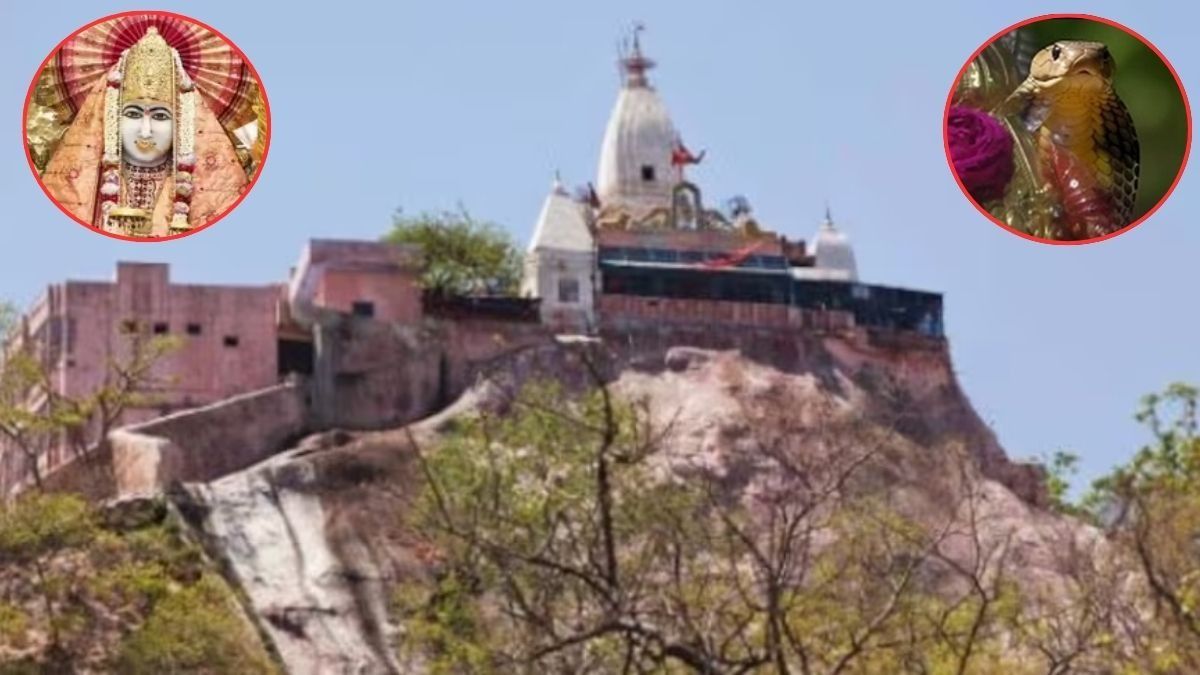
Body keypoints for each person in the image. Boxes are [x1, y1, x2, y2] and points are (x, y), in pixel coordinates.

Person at [39, 26, 247, 237]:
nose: (145, 132)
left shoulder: (205, 190)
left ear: (182, 120)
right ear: (110, 113)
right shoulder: (81, 187)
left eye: (159, 116)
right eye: (133, 113)